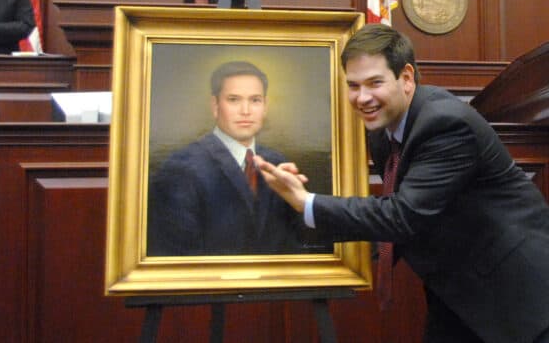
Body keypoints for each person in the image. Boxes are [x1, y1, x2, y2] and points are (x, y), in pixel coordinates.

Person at [255, 23, 549, 343]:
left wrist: (307, 202)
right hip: (458, 293)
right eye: (353, 86)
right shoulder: (381, 131)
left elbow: (402, 216)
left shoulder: (446, 123)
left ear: (406, 78)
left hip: (521, 296)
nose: (362, 97)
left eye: (374, 83)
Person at [148, 61, 308, 256]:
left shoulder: (276, 162)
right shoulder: (181, 168)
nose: (246, 110)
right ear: (215, 106)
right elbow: (178, 256)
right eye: (234, 99)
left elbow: (296, 242)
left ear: (265, 106)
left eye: (255, 100)